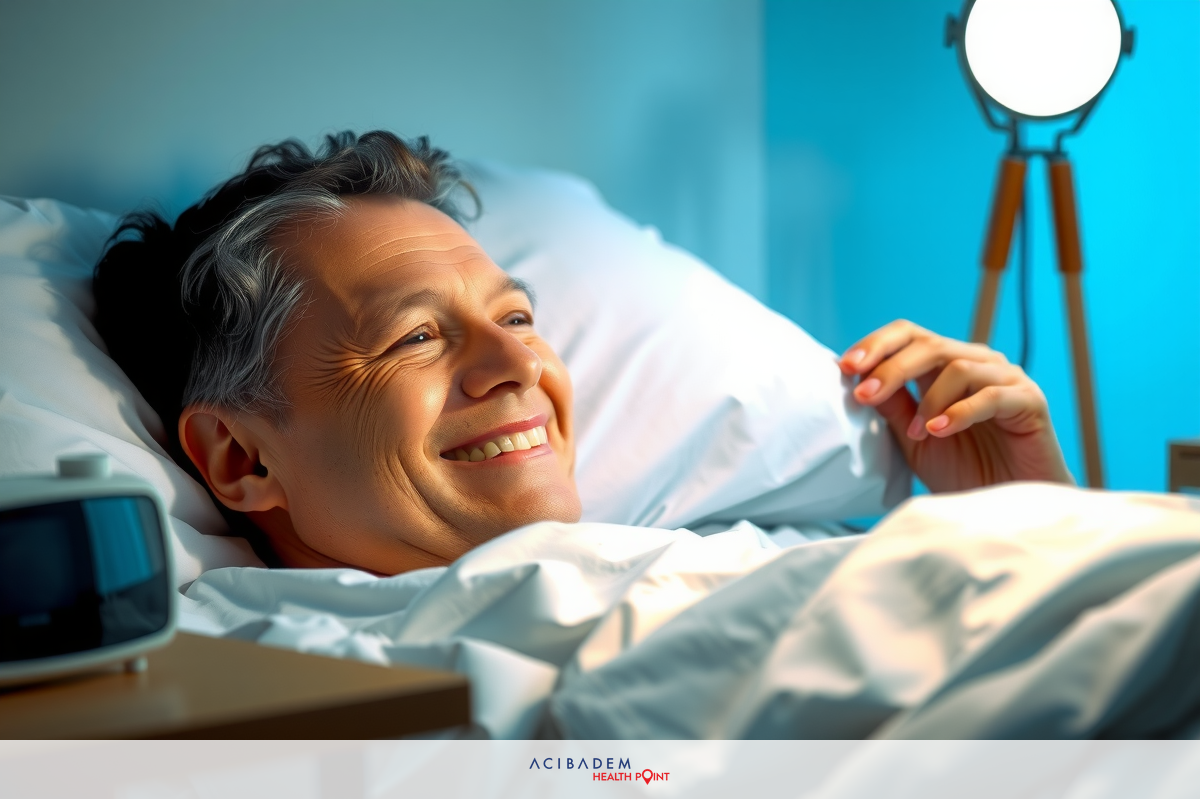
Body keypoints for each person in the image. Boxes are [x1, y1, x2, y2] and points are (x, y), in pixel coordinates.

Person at [93, 131, 1072, 575]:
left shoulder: (753, 556)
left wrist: (1033, 509)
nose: (514, 368)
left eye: (516, 317)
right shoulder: (304, 685)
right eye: (418, 335)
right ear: (241, 457)